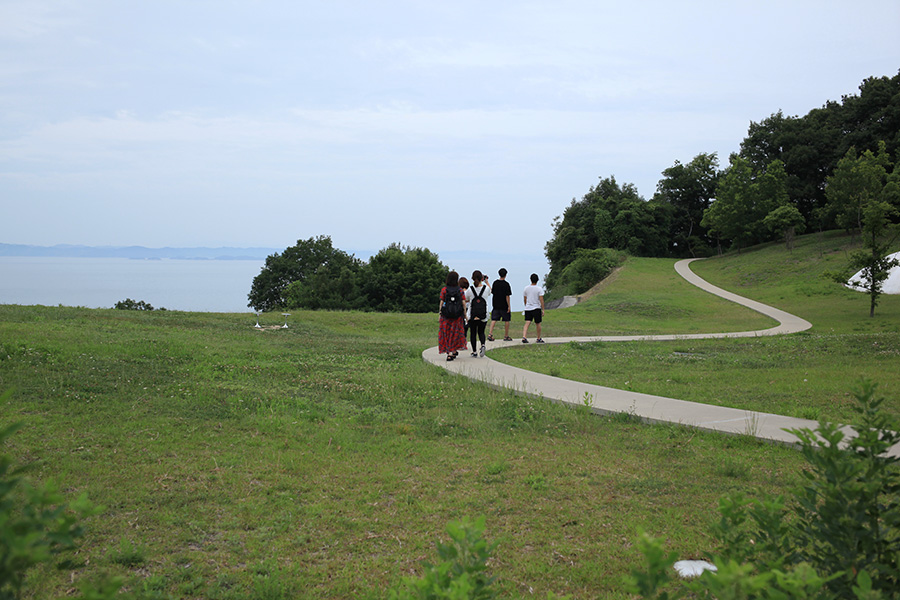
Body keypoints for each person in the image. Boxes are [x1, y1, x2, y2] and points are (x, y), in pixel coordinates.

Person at [438, 271, 468, 361]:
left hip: (446, 315)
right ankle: (453, 350)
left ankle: (449, 352)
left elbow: (442, 301)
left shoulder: (444, 290)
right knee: (455, 334)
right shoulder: (460, 290)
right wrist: (465, 314)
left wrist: (440, 312)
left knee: (447, 333)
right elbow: (463, 302)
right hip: (457, 316)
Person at [465, 270, 491, 357]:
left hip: (473, 314)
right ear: (482, 279)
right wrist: (487, 282)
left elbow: (466, 298)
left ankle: (474, 351)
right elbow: (490, 291)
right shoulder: (486, 289)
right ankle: (483, 345)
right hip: (483, 314)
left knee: (473, 333)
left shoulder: (470, 289)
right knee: (481, 332)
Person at [487, 268, 512, 342]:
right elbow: (507, 296)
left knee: (494, 319)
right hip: (504, 305)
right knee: (506, 320)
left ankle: (490, 334)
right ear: (505, 275)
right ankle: (506, 336)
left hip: (496, 304)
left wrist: (487, 283)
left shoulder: (495, 283)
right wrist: (509, 306)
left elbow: (492, 291)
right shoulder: (506, 284)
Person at [521, 273, 545, 344]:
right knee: (538, 323)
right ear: (537, 280)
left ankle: (524, 336)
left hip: (528, 308)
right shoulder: (539, 289)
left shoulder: (526, 288)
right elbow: (541, 299)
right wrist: (543, 309)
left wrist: (526, 305)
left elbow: (525, 298)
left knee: (527, 323)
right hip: (536, 308)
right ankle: (538, 338)